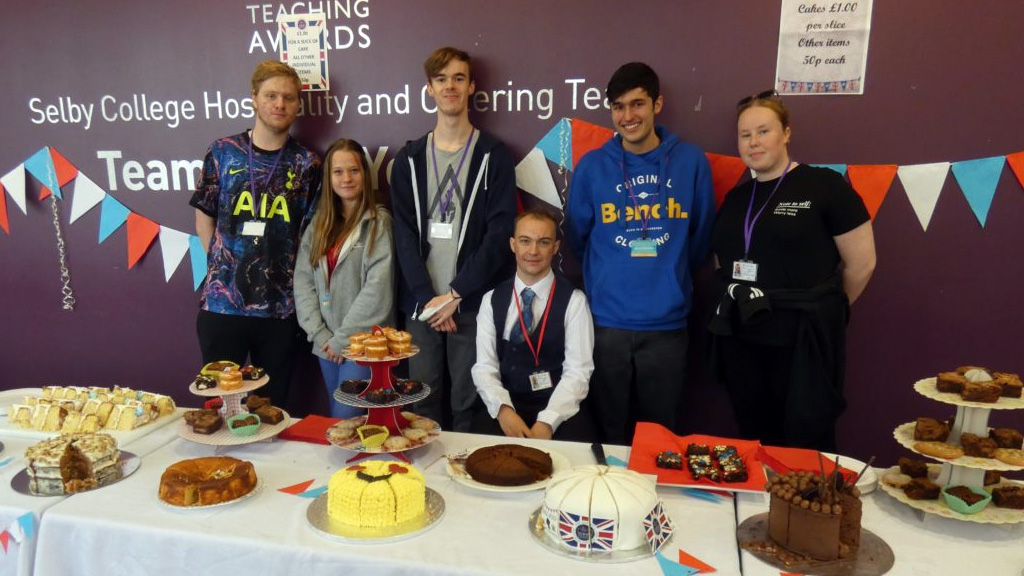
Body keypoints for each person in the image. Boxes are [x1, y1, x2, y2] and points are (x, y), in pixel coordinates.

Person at [709, 90, 876, 451]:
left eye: (763, 131)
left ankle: (804, 507)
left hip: (802, 341)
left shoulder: (825, 186)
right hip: (743, 339)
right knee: (755, 435)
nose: (754, 142)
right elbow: (722, 261)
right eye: (745, 135)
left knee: (806, 436)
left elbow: (862, 263)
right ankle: (764, 506)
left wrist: (826, 311)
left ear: (786, 133)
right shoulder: (737, 199)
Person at [565, 62, 715, 445]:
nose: (627, 116)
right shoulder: (593, 166)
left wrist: (670, 274)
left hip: (667, 325)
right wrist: (608, 276)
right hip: (608, 324)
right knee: (608, 434)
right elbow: (578, 235)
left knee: (661, 437)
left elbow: (699, 237)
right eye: (618, 106)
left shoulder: (690, 162)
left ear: (657, 104)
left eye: (637, 104)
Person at [391, 46, 517, 432]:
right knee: (422, 405)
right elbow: (404, 235)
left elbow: (499, 235)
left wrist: (456, 293)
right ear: (429, 88)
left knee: (469, 405)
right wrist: (430, 299)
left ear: (471, 87)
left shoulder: (494, 156)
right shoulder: (409, 159)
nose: (450, 87)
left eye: (458, 78)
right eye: (442, 79)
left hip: (471, 304)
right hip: (422, 306)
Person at [190, 60, 321, 407]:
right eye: (271, 95)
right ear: (254, 99)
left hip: (279, 310)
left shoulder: (307, 163)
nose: (279, 104)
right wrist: (219, 264)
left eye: (288, 98)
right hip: (222, 306)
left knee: (271, 408)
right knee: (220, 405)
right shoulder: (223, 151)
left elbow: (311, 233)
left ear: (297, 106)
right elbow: (204, 213)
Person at [471, 211, 595, 441]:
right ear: (513, 244)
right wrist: (503, 411)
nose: (533, 251)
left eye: (544, 242)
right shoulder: (491, 299)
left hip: (558, 407)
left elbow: (578, 372)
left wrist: (548, 421)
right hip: (506, 404)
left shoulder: (575, 301)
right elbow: (484, 366)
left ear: (556, 247)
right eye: (525, 241)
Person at [294, 138, 394, 418]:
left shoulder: (378, 223)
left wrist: (343, 339)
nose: (346, 178)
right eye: (338, 172)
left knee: (345, 416)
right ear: (329, 178)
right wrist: (320, 333)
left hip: (363, 345)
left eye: (353, 171)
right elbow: (303, 282)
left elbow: (378, 291)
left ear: (365, 174)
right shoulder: (319, 225)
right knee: (344, 427)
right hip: (325, 342)